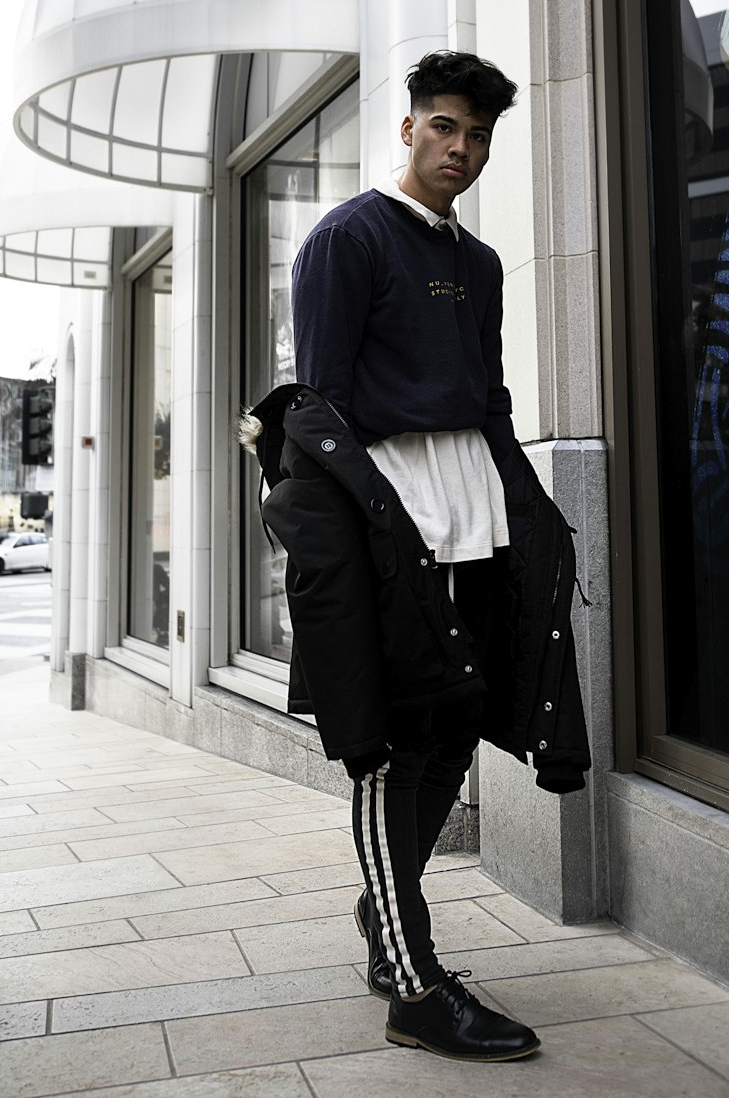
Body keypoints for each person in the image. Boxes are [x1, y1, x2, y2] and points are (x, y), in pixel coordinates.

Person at [242, 51, 590, 1062]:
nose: (461, 149)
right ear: (407, 129)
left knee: (455, 726)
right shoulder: (346, 238)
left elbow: (487, 399)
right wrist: (355, 554)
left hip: (474, 514)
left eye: (478, 135)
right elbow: (324, 408)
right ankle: (412, 979)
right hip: (394, 524)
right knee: (389, 741)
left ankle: (382, 907)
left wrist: (529, 517)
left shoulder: (477, 265)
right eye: (445, 127)